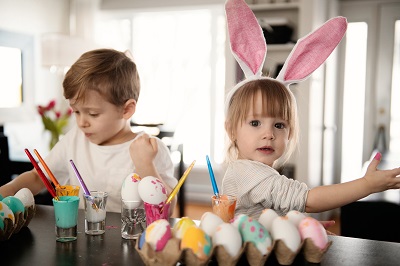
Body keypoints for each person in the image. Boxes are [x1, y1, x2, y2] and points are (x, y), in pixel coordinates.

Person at [221, 0, 400, 220]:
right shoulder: (249, 173)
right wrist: (366, 185)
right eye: (255, 123)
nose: (269, 134)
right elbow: (309, 200)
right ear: (231, 130)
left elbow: (266, 216)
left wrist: (294, 226)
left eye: (279, 125)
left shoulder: (254, 171)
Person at [0, 48, 177, 214]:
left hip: (132, 244)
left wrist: (145, 165)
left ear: (126, 110)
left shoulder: (149, 150)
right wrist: (4, 193)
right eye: (76, 111)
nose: (81, 122)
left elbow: (166, 212)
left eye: (93, 114)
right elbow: (38, 178)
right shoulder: (75, 139)